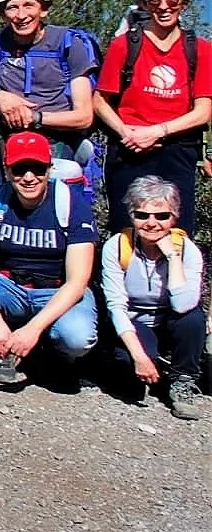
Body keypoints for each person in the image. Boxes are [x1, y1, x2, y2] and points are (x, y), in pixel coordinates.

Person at [0, 131, 98, 389]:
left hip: (57, 289)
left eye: (37, 169)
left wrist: (34, 328)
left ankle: (55, 356)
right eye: (19, 169)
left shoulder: (71, 204)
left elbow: (78, 281)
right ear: (7, 171)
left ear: (49, 169)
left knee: (77, 336)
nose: (29, 177)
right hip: (12, 287)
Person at [95, 0, 212, 235]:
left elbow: (203, 110)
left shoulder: (200, 49)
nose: (163, 6)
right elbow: (100, 100)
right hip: (129, 149)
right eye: (154, 0)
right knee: (127, 231)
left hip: (176, 150)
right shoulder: (125, 45)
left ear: (184, 3)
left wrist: (157, 132)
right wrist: (127, 132)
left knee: (176, 232)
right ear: (144, 4)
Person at [0, 0, 97, 195]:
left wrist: (35, 117)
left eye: (29, 5)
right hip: (2, 143)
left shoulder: (69, 44)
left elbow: (84, 116)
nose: (21, 15)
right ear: (3, 14)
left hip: (57, 145)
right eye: (13, 7)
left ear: (43, 9)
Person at [98, 176, 205, 420]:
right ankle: (148, 363)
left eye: (162, 216)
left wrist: (172, 257)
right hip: (132, 322)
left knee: (193, 318)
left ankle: (183, 381)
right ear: (131, 216)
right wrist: (140, 357)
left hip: (170, 319)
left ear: (175, 217)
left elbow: (183, 305)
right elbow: (116, 306)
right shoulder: (116, 247)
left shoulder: (188, 251)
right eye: (142, 215)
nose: (151, 223)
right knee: (129, 379)